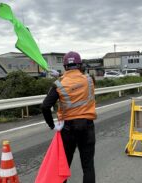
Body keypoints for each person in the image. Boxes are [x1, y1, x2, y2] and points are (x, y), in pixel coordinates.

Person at [41, 51, 96, 183]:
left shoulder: (59, 84)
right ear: (80, 65)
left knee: (64, 165)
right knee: (88, 166)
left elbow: (45, 106)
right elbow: (77, 82)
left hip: (68, 129)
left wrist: (52, 125)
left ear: (65, 66)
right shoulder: (89, 80)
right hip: (87, 126)